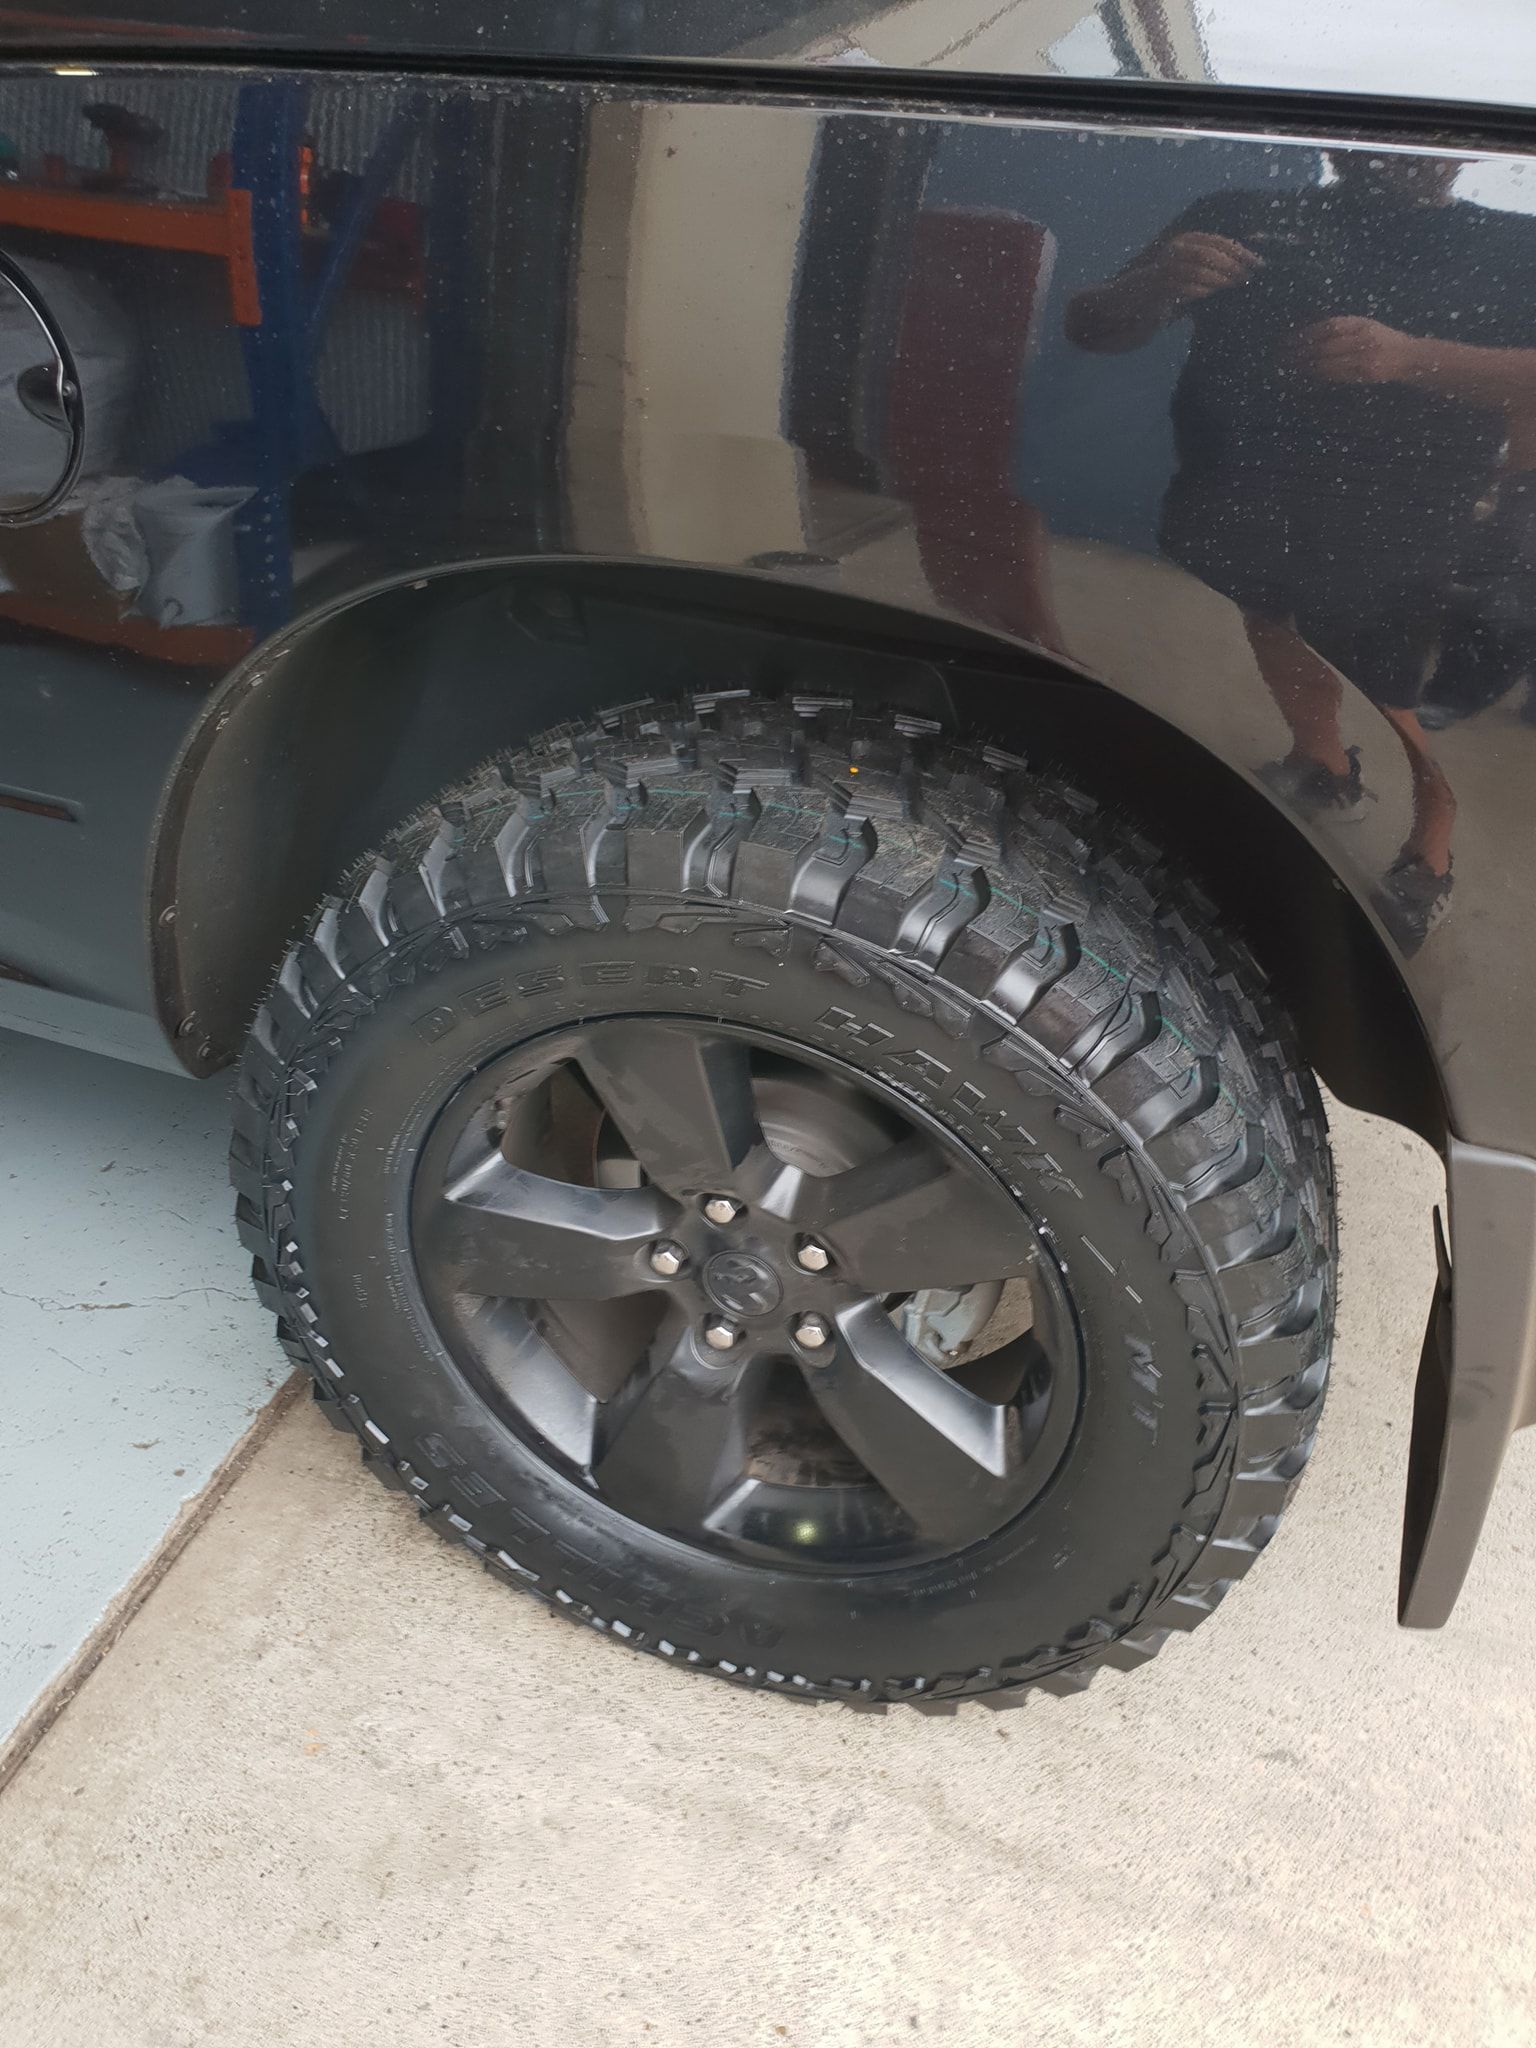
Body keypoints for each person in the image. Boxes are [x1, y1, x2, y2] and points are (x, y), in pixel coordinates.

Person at [1067, 152, 1536, 948]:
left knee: (1390, 680)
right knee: (1268, 616)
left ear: (1460, 148)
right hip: (1236, 473)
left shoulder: (1514, 244)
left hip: (1403, 505)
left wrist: (1406, 356)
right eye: (1376, 125)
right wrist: (1155, 282)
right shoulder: (1238, 212)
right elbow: (1090, 327)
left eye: (1422, 132)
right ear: (1338, 140)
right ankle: (1325, 765)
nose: (1396, 150)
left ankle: (1428, 852)